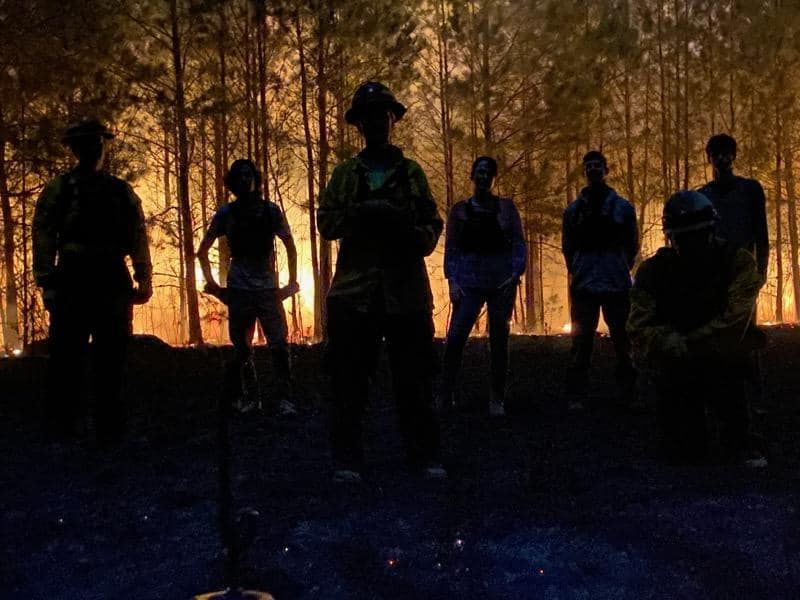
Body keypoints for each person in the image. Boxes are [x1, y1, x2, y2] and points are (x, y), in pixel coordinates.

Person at [317, 81, 445, 483]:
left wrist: (396, 219)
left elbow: (429, 230)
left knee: (415, 382)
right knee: (350, 382)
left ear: (392, 120)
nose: (377, 122)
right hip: (356, 295)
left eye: (383, 114)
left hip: (405, 294)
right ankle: (347, 459)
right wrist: (363, 213)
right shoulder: (344, 176)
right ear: (360, 124)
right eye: (369, 115)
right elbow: (326, 222)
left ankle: (423, 456)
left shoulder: (412, 175)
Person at [33, 118, 152, 446]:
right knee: (68, 358)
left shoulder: (118, 191)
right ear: (76, 149)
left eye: (97, 143)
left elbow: (136, 234)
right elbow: (43, 234)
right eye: (88, 144)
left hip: (106, 277)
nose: (94, 149)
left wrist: (143, 277)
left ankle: (106, 427)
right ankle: (67, 426)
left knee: (109, 358)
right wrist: (47, 282)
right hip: (77, 276)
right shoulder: (62, 190)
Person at [628, 190, 767, 466]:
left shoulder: (736, 262)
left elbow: (737, 319)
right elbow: (638, 326)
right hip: (678, 362)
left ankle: (737, 434)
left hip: (720, 358)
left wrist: (690, 342)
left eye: (698, 235)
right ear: (671, 237)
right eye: (684, 237)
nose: (692, 245)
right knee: (685, 449)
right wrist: (672, 344)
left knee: (733, 378)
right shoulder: (653, 272)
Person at [197, 159, 299, 416]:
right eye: (240, 176)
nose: (245, 180)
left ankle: (285, 398)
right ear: (232, 182)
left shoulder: (270, 211)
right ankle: (251, 397)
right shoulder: (225, 214)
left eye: (249, 175)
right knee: (242, 347)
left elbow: (289, 244)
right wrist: (214, 286)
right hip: (241, 287)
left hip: (266, 287)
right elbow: (202, 251)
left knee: (278, 344)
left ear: (256, 178)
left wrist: (291, 282)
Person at [439, 156, 526, 416]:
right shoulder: (460, 211)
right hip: (469, 281)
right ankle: (446, 394)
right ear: (472, 175)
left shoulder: (506, 209)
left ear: (493, 177)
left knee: (500, 340)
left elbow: (519, 242)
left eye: (488, 172)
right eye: (479, 171)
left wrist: (515, 272)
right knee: (455, 338)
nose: (483, 176)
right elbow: (452, 248)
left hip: (500, 281)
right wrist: (452, 280)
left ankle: (497, 397)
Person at [561, 151, 638, 410]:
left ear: (606, 169)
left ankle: (628, 392)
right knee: (581, 342)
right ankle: (577, 393)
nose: (594, 170)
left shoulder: (623, 208)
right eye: (589, 166)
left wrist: (618, 266)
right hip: (587, 283)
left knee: (623, 340)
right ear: (585, 171)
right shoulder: (573, 211)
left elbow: (632, 244)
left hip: (614, 282)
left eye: (597, 166)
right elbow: (567, 247)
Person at [699, 133, 769, 406]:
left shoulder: (751, 190)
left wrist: (760, 272)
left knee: (745, 332)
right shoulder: (702, 196)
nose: (723, 158)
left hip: (743, 271)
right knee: (714, 330)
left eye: (727, 153)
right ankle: (723, 394)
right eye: (717, 154)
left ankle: (753, 393)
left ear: (734, 156)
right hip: (714, 273)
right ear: (710, 159)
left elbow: (761, 235)